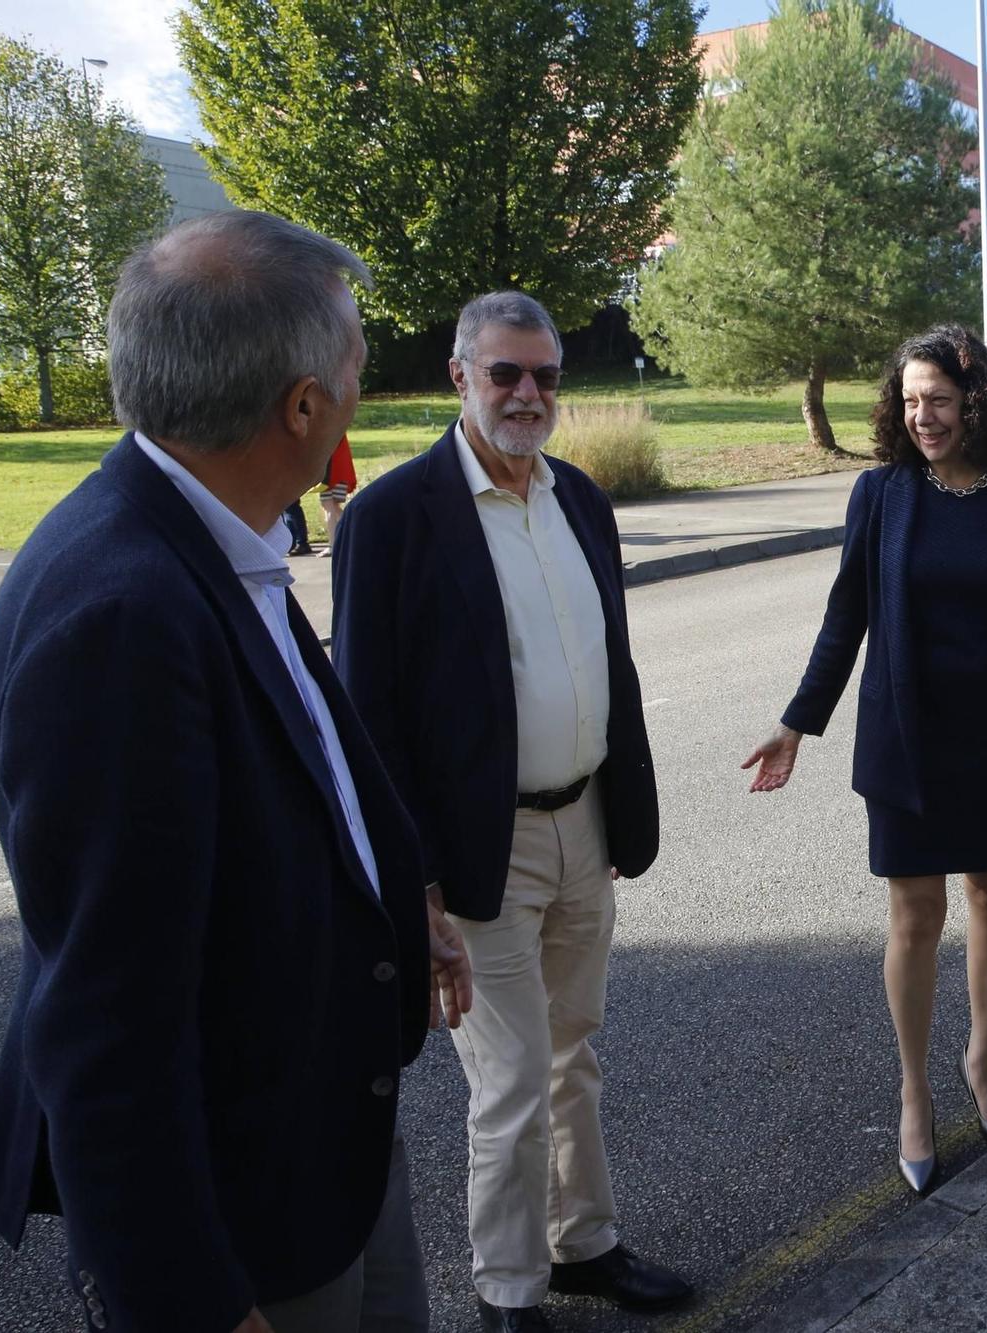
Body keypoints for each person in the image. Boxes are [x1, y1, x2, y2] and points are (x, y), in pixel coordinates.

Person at [0, 210, 471, 1333]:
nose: (362, 384)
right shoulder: (122, 613)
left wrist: (401, 904)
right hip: (244, 1224)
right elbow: (104, 1019)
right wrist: (187, 1302)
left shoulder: (213, 533)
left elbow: (300, 773)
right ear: (303, 407)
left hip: (326, 1152)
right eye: (355, 360)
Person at [331, 291, 681, 1332]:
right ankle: (507, 1292)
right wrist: (418, 877)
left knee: (576, 1051)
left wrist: (615, 811)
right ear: (458, 377)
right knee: (514, 1079)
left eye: (545, 377)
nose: (528, 395)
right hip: (477, 852)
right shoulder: (393, 519)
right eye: (505, 374)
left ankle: (586, 1246)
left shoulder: (579, 498)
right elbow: (368, 718)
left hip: (585, 829)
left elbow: (604, 663)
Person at [742, 324, 987, 1196]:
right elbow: (844, 618)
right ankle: (913, 1088)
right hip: (907, 740)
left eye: (939, 398)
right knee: (914, 916)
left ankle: (982, 1058)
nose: (923, 415)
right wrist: (797, 722)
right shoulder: (882, 495)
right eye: (909, 401)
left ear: (978, 401)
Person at [319, 433, 358, 551]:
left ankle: (332, 544)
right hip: (341, 474)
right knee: (333, 507)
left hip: (330, 475)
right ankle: (355, 530)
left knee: (328, 507)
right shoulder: (338, 430)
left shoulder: (330, 432)